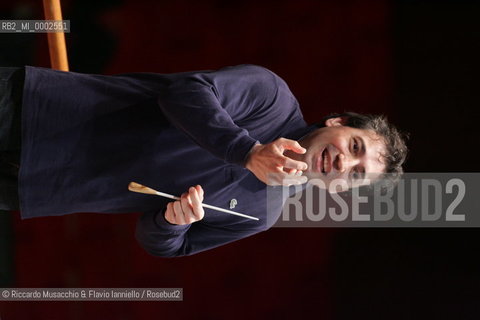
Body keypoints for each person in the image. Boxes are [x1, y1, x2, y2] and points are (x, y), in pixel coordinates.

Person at [0, 64, 407, 257]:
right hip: (34, 108)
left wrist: (171, 223)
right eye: (354, 147)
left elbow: (165, 245)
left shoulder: (260, 213)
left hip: (34, 186)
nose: (343, 165)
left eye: (356, 175)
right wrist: (245, 152)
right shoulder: (272, 95)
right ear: (338, 122)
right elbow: (184, 93)